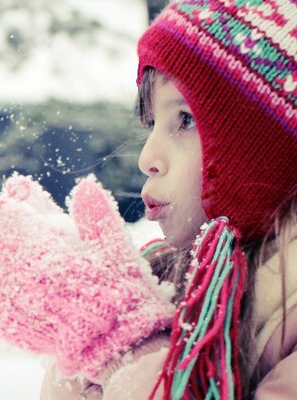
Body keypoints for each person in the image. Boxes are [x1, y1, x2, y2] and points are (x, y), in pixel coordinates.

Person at [41, 0, 297, 399]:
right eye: (151, 124)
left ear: (266, 149)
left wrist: (141, 366)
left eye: (185, 119)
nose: (147, 158)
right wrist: (94, 342)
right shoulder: (159, 278)